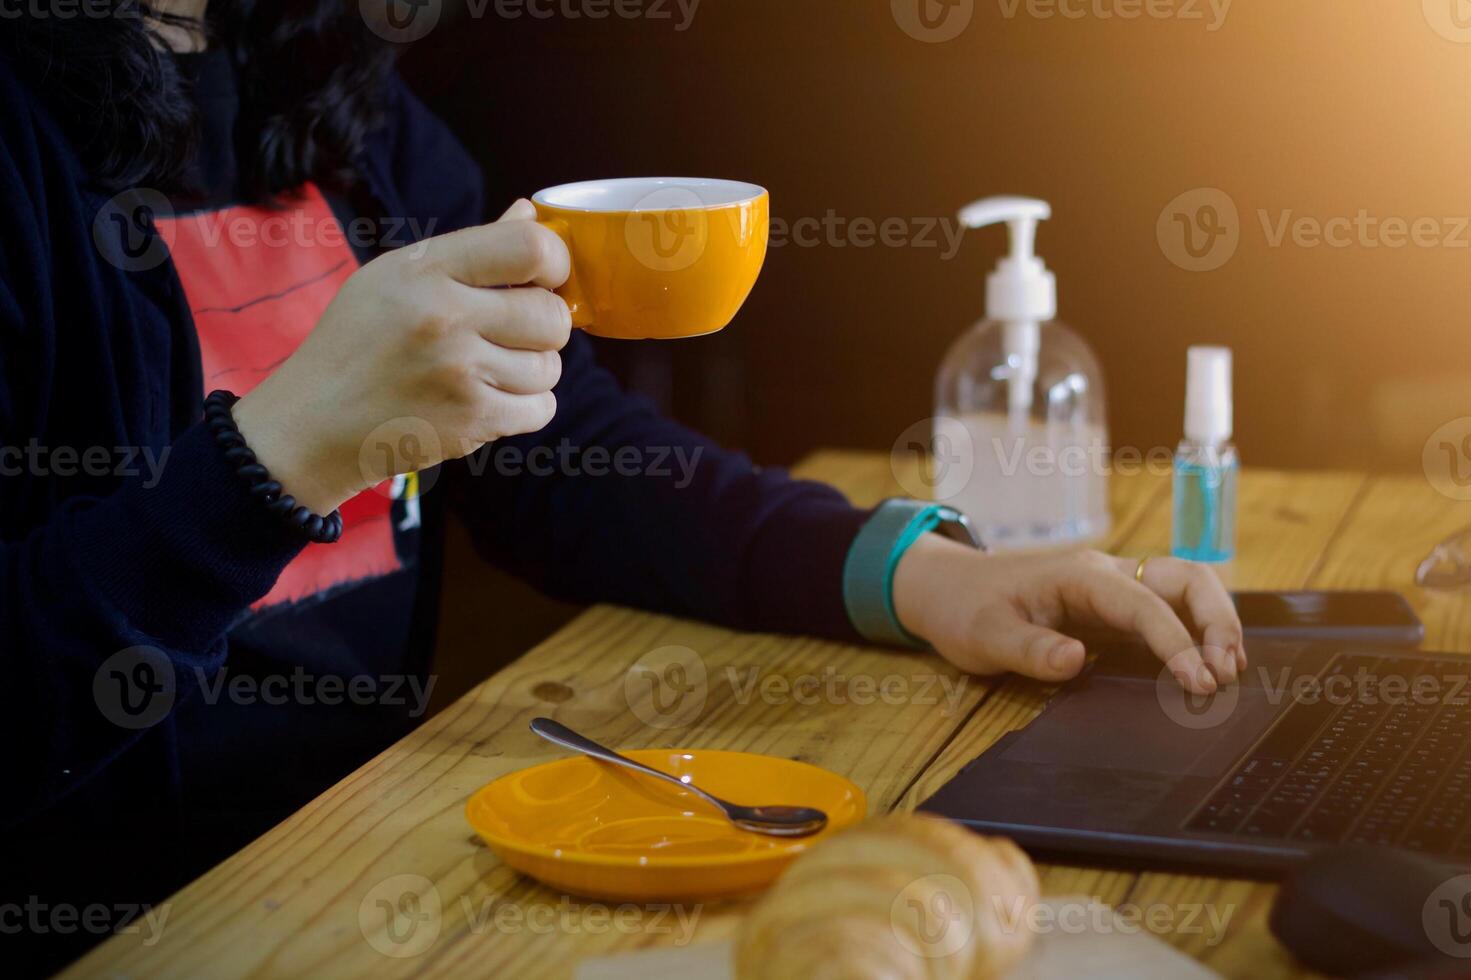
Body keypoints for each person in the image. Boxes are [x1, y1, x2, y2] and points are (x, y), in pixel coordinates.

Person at [0, 2, 1244, 972]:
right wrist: (273, 461)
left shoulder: (324, 79)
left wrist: (929, 574)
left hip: (388, 852)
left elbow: (569, 457)